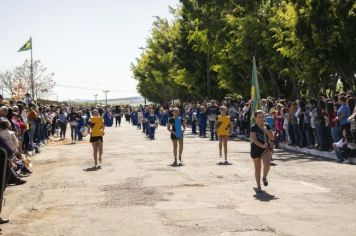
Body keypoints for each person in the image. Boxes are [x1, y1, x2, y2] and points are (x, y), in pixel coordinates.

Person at [250, 110, 274, 193]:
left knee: (267, 164)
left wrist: (266, 130)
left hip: (266, 149)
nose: (261, 119)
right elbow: (255, 140)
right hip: (256, 149)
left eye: (263, 117)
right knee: (258, 168)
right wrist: (261, 145)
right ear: (255, 118)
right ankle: (259, 186)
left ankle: (264, 177)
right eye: (259, 117)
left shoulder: (267, 126)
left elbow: (272, 138)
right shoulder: (253, 127)